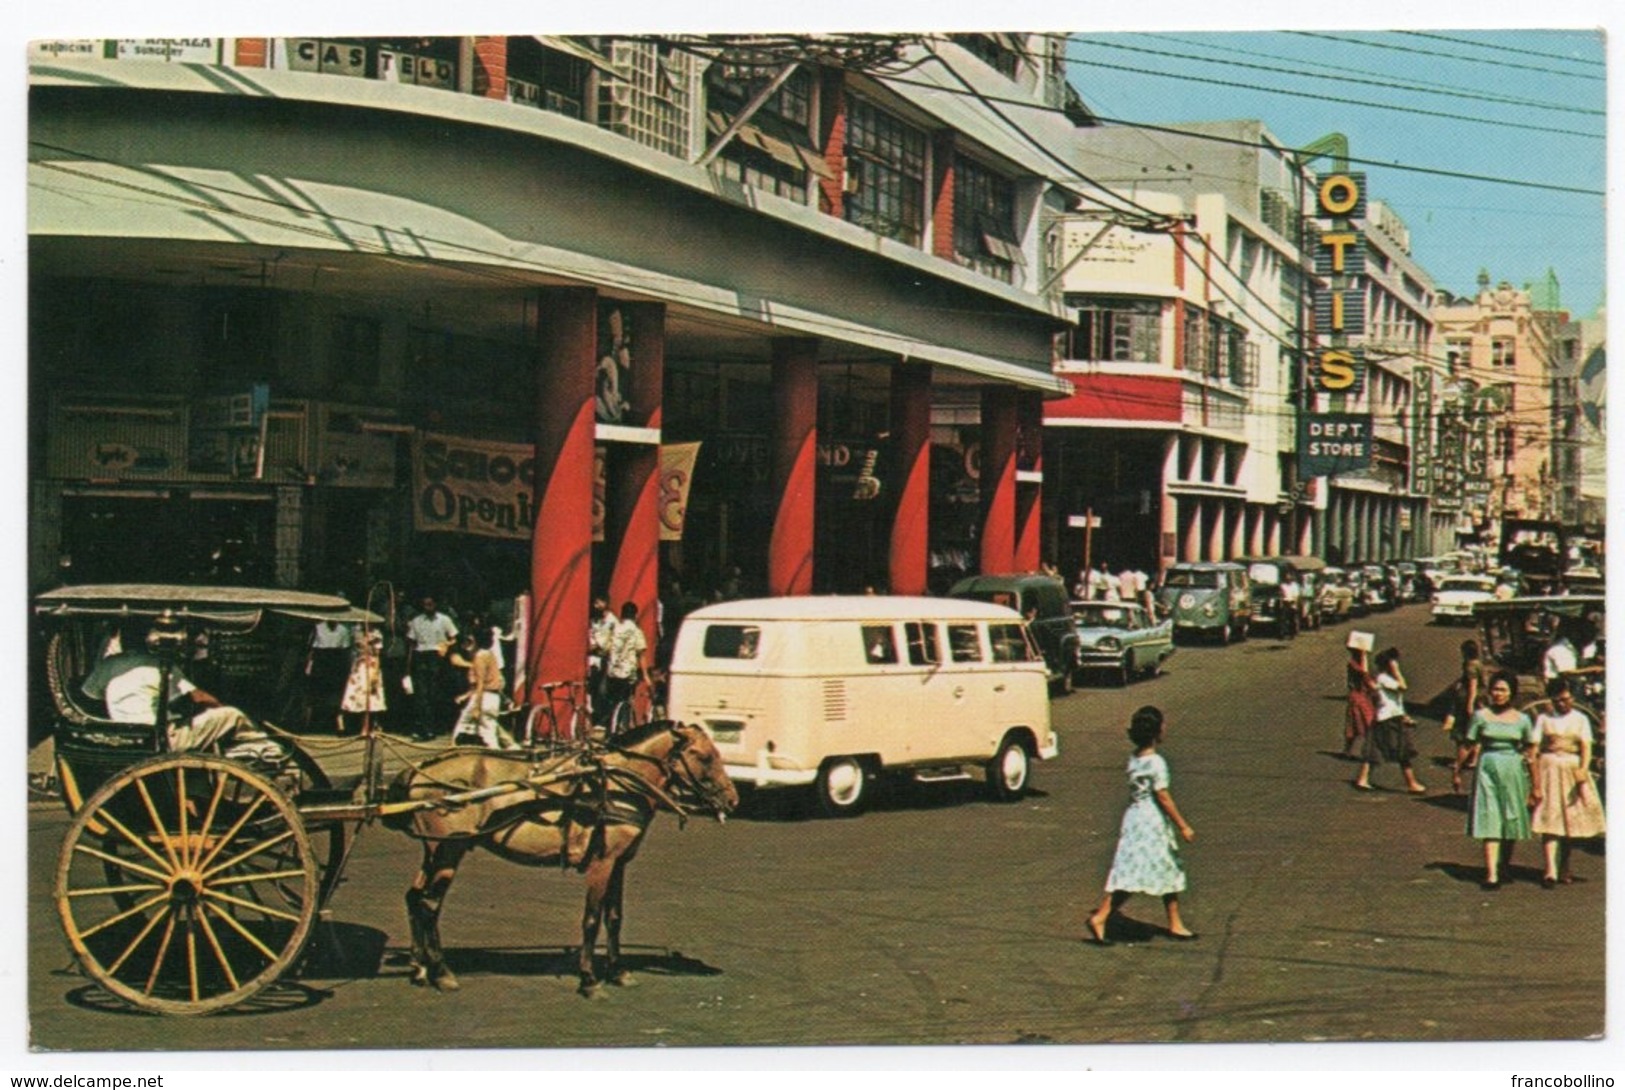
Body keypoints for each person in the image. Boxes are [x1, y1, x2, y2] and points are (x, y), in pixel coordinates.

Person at [1084, 705, 1197, 945]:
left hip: (1134, 817)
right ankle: (1103, 916)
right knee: (1158, 867)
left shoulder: (1134, 758)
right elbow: (1163, 797)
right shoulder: (1156, 763)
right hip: (1151, 821)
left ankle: (1175, 923)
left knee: (1147, 868)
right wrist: (1183, 826)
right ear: (1156, 732)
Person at [80, 617, 258, 753]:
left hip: (122, 737)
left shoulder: (109, 664)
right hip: (159, 739)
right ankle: (263, 751)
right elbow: (198, 697)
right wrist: (217, 707)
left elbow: (89, 695)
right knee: (232, 715)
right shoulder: (158, 663)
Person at [1463, 670, 1537, 890]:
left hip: (1513, 769)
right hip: (1487, 768)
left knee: (1510, 819)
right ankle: (1491, 873)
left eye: (1503, 690)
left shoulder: (1522, 719)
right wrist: (1457, 770)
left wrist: (1535, 782)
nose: (1498, 694)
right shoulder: (1481, 716)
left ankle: (1503, 865)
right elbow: (1468, 744)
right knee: (1490, 818)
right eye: (1495, 689)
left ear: (1511, 693)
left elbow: (1531, 748)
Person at [1529, 677, 1605, 887]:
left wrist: (1583, 768)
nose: (1564, 703)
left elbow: (1586, 747)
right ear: (1552, 700)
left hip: (1573, 769)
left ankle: (1565, 866)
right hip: (1550, 767)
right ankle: (1550, 870)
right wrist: (1534, 776)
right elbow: (1534, 747)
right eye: (1559, 700)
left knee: (1570, 820)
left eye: (1567, 699)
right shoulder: (1544, 718)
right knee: (1550, 818)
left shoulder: (1580, 719)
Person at [1353, 647, 1426, 794]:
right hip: (1390, 719)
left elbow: (1395, 701)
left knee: (1374, 748)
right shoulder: (1384, 678)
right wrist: (1397, 670)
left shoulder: (1383, 678)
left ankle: (1363, 778)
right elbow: (1403, 687)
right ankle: (1411, 783)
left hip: (1387, 716)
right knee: (1403, 750)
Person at [450, 627, 515, 749]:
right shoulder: (490, 654)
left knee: (463, 726)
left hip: (484, 697)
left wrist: (476, 707)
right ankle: (510, 748)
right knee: (489, 730)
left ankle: (453, 752)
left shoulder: (479, 657)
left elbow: (480, 684)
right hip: (493, 698)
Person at [405, 596, 459, 741]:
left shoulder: (444, 619)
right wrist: (409, 665)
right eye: (425, 604)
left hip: (438, 655)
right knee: (422, 694)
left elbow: (454, 637)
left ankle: (437, 726)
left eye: (430, 604)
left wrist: (446, 645)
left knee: (436, 692)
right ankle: (425, 727)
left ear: (435, 604)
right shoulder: (416, 621)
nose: (428, 606)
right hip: (421, 655)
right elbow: (411, 642)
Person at [1444, 639, 1489, 795]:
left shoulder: (1470, 665)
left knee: (1466, 731)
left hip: (1469, 701)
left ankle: (1462, 761)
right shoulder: (1478, 663)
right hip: (1479, 699)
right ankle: (1473, 758)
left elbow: (1473, 685)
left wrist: (1469, 704)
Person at [602, 601, 650, 734]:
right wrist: (646, 675)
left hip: (612, 671)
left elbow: (606, 649)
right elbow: (641, 655)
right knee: (628, 698)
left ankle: (611, 727)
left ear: (622, 614)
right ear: (635, 615)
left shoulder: (615, 629)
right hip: (628, 672)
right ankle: (624, 727)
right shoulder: (636, 631)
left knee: (613, 700)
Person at [306, 614, 354, 733]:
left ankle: (338, 725)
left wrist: (348, 667)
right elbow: (312, 649)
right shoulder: (318, 628)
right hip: (321, 660)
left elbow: (345, 650)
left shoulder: (343, 629)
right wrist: (309, 665)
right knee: (317, 693)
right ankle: (311, 724)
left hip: (336, 661)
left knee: (336, 693)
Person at [339, 628, 387, 734]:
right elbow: (353, 650)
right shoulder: (355, 632)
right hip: (358, 667)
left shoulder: (376, 633)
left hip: (371, 666)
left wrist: (375, 674)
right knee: (356, 697)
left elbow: (377, 655)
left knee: (370, 697)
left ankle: (368, 727)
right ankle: (353, 726)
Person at [1343, 646, 1377, 759]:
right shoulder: (1354, 664)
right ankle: (1354, 750)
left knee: (1360, 723)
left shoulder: (1353, 663)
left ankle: (1350, 750)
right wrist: (1364, 656)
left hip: (1362, 696)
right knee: (1364, 722)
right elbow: (1364, 674)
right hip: (1358, 697)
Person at [587, 596, 616, 725]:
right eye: (595, 602)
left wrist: (600, 646)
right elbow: (591, 635)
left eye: (598, 602)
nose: (595, 605)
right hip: (592, 658)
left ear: (606, 603)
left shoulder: (612, 621)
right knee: (591, 689)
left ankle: (605, 718)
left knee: (602, 691)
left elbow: (613, 642)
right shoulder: (594, 621)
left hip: (605, 659)